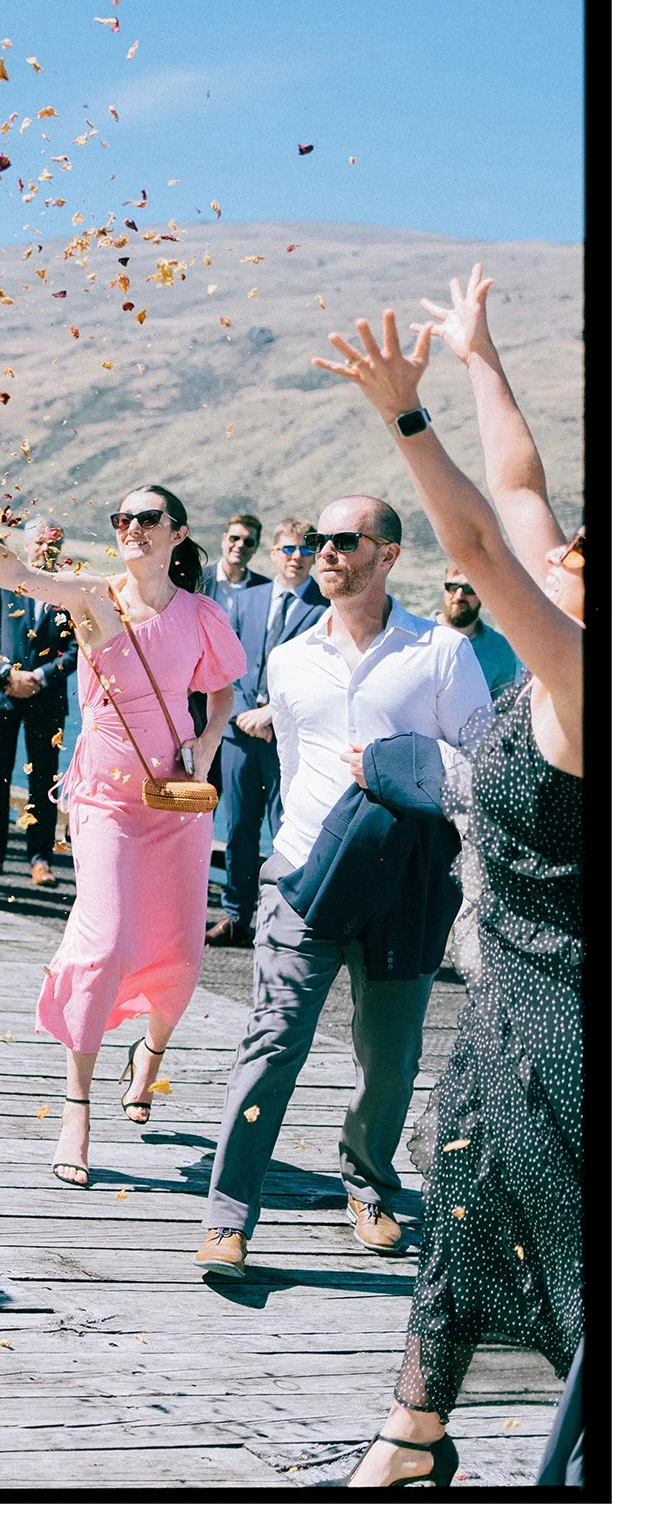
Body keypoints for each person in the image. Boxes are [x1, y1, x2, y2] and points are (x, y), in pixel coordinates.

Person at [311, 276, 583, 1488]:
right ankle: (410, 1437)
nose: (564, 544)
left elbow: (475, 539)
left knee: (572, 1262)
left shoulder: (586, 682)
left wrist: (404, 421)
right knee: (461, 1213)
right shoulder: (574, 621)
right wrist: (480, 359)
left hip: (571, 1021)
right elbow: (517, 492)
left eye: (586, 551)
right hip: (503, 1002)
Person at [192, 489, 490, 1279]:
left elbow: (484, 767)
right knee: (272, 1042)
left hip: (406, 886)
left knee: (389, 1061)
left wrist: (398, 769)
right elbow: (293, 771)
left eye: (346, 540)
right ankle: (229, 1215)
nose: (326, 551)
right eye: (319, 538)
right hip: (303, 877)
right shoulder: (289, 660)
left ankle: (368, 1184)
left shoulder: (441, 653)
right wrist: (278, 862)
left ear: (388, 555)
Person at [0, 479, 244, 1190]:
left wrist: (208, 739)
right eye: (122, 518)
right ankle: (76, 1108)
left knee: (181, 955)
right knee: (105, 942)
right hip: (104, 798)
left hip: (174, 799)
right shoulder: (93, 596)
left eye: (147, 518)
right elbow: (17, 574)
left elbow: (221, 688)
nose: (131, 527)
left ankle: (151, 1056)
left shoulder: (200, 614)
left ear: (177, 532)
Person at [208, 521, 328, 946]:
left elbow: (320, 674)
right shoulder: (247, 600)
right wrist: (244, 714)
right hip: (240, 736)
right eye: (288, 549)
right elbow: (228, 662)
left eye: (305, 550)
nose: (297, 557)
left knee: (286, 829)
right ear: (274, 553)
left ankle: (282, 917)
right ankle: (237, 916)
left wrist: (272, 716)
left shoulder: (325, 609)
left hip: (289, 739)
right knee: (239, 828)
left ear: (315, 556)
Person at [0, 516, 78, 884]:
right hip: (3, 696)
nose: (47, 549)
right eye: (41, 542)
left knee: (43, 780)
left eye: (54, 544)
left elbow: (77, 648)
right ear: (26, 545)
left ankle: (40, 858)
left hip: (46, 700)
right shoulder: (4, 583)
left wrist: (42, 676)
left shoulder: (69, 590)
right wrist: (7, 674)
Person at [438, 563, 524, 697]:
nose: (459, 596)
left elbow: (501, 711)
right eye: (452, 587)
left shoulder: (501, 650)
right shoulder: (413, 636)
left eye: (469, 589)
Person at [203, 513, 267, 600]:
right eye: (234, 538)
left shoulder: (264, 588)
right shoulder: (199, 579)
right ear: (223, 539)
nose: (240, 545)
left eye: (249, 542)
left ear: (256, 547)